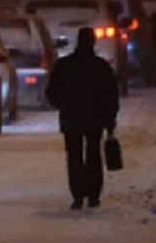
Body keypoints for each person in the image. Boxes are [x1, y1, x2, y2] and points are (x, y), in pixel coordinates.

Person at [44, 26, 120, 210]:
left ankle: (78, 194)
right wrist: (110, 119)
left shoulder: (64, 65)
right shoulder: (101, 66)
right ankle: (93, 195)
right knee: (93, 154)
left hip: (71, 117)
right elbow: (111, 95)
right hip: (95, 118)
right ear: (93, 42)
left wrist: (62, 104)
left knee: (74, 156)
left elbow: (52, 91)